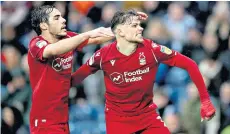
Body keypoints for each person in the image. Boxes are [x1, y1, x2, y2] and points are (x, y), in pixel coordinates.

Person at [72, 10, 216, 134]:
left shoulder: (152, 49)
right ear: (120, 31)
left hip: (147, 116)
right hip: (118, 120)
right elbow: (74, 79)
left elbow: (190, 64)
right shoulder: (103, 56)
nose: (140, 28)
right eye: (134, 25)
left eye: (140, 25)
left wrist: (205, 100)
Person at [28, 5, 115, 134]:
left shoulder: (68, 38)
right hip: (44, 121)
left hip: (62, 119)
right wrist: (88, 33)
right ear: (43, 25)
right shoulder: (36, 43)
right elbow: (54, 50)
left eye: (62, 17)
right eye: (57, 18)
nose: (63, 20)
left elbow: (97, 38)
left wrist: (124, 28)